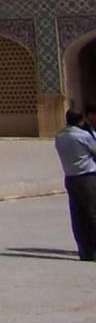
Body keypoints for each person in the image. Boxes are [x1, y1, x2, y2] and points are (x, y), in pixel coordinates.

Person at [53, 108, 96, 261]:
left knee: (78, 215)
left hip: (71, 178)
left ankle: (85, 251)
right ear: (81, 120)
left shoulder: (59, 136)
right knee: (92, 213)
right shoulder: (84, 135)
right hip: (88, 177)